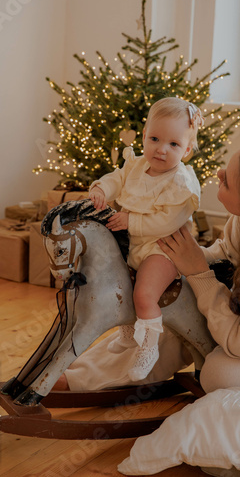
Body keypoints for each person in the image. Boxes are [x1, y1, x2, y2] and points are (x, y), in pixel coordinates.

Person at [54, 138, 240, 392]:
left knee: (217, 372)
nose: (219, 172)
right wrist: (171, 262)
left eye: (227, 181)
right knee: (176, 311)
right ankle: (79, 374)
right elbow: (225, 253)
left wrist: (198, 273)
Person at [88, 97, 203, 382]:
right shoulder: (136, 166)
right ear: (144, 136)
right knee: (117, 279)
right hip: (134, 244)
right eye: (154, 138)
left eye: (174, 145)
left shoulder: (181, 183)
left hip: (163, 248)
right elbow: (117, 178)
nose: (161, 150)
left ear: (187, 149)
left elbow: (167, 221)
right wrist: (102, 188)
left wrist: (131, 221)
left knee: (144, 293)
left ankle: (148, 347)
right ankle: (128, 334)